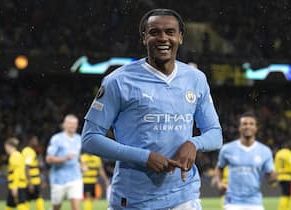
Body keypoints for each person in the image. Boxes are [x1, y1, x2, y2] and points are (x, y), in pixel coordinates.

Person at [82, 8, 222, 210]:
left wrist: (194, 143)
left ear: (180, 37)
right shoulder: (117, 81)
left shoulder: (196, 78)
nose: (163, 38)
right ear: (144, 38)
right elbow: (90, 139)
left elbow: (215, 134)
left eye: (170, 32)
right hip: (133, 200)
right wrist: (144, 157)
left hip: (184, 196)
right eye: (155, 32)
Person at [214, 112, 276, 210]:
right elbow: (219, 168)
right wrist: (219, 183)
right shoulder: (227, 149)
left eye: (251, 124)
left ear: (256, 128)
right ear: (239, 128)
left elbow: (271, 175)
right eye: (244, 123)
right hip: (232, 203)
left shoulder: (265, 151)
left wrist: (273, 178)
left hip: (255, 202)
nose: (248, 126)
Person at [46, 114, 82, 210]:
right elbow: (48, 159)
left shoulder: (79, 139)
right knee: (56, 207)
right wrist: (65, 159)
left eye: (75, 124)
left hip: (75, 178)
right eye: (70, 123)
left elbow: (78, 156)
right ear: (64, 125)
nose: (73, 126)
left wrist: (83, 164)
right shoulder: (56, 139)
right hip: (58, 179)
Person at [21, 135, 45, 210]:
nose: (36, 142)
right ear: (30, 141)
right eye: (35, 140)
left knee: (29, 199)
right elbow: (27, 167)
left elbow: (34, 167)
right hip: (32, 181)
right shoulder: (28, 151)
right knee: (37, 198)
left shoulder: (30, 151)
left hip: (33, 180)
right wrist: (30, 183)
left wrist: (41, 179)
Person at [4, 137, 28, 210]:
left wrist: (15, 186)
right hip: (19, 184)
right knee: (11, 204)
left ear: (9, 146)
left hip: (17, 184)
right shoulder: (18, 155)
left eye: (5, 147)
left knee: (21, 204)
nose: (5, 149)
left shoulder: (14, 156)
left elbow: (16, 172)